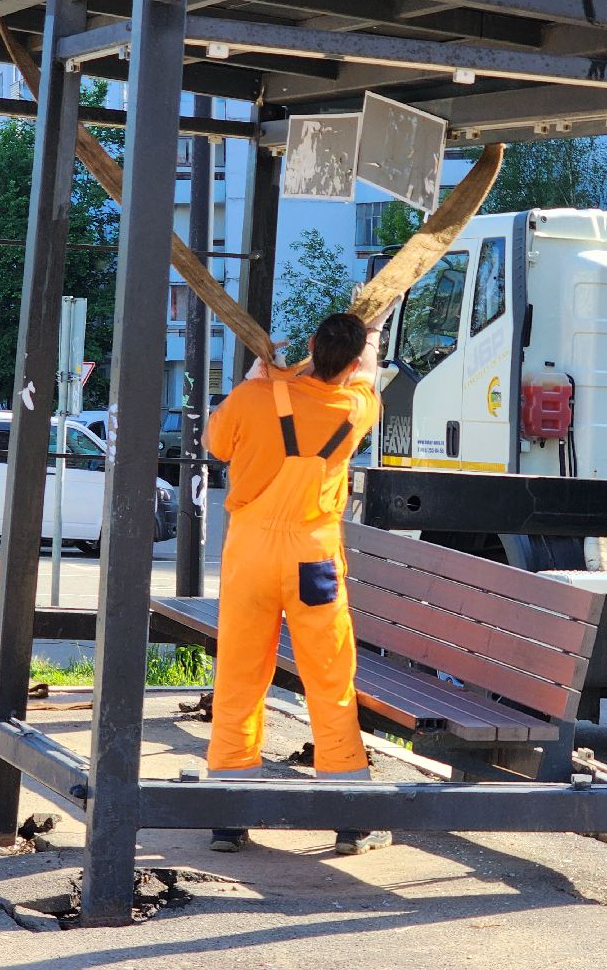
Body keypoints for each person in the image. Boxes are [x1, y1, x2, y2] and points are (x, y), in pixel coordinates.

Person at [204, 305, 396, 856]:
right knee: (330, 678)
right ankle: (350, 814)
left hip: (251, 555)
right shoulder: (356, 407)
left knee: (240, 674)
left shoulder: (254, 396)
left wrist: (259, 374)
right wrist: (373, 333)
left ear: (310, 347)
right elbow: (364, 375)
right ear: (353, 363)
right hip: (313, 558)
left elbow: (217, 444)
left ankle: (229, 813)